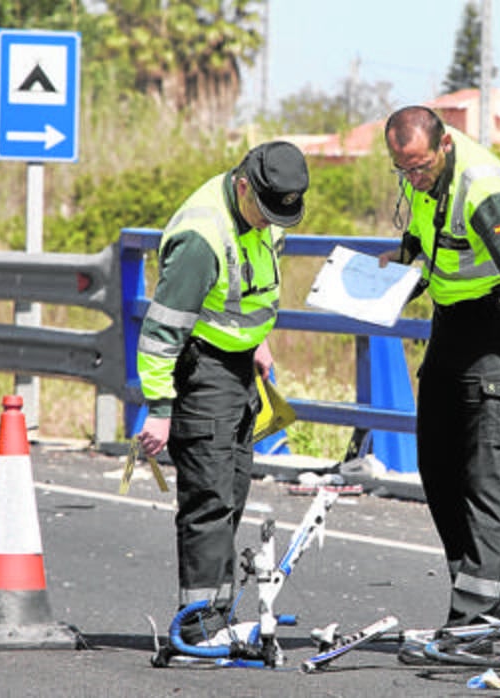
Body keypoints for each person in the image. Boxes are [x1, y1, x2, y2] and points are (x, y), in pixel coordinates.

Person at [379, 105, 500, 629]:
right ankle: (488, 597)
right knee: (436, 463)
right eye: (402, 169)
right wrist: (403, 255)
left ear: (445, 145)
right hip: (450, 325)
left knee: (486, 473)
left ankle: (473, 617)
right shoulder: (416, 172)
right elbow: (432, 235)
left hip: (497, 331)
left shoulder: (484, 189)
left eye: (420, 167)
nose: (412, 177)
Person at [135, 141, 309, 641]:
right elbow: (161, 333)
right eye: (264, 210)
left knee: (232, 490)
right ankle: (197, 625)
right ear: (241, 185)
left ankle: (217, 613)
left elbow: (249, 287)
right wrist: (160, 410)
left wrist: (259, 341)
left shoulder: (267, 212)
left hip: (239, 367)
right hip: (201, 367)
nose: (268, 222)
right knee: (208, 499)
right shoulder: (201, 237)